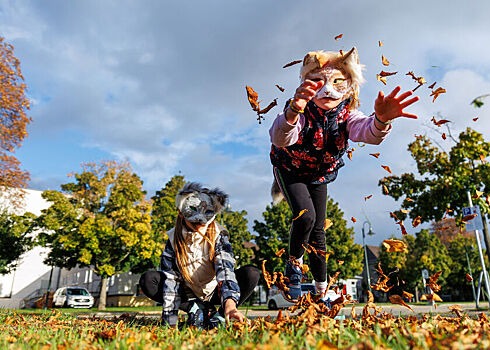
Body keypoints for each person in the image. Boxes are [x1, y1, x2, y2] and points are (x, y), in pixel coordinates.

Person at [269, 48, 419, 301]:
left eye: (337, 82)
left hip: (319, 174)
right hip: (290, 168)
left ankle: (321, 292)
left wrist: (381, 121)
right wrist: (294, 111)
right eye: (318, 82)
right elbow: (281, 138)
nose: (327, 90)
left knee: (318, 231)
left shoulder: (347, 115)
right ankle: (293, 268)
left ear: (349, 87)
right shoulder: (300, 110)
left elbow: (367, 132)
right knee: (305, 218)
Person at [139, 182, 260, 329]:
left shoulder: (219, 235)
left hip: (215, 290)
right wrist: (170, 321)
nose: (200, 224)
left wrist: (230, 305)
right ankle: (195, 308)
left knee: (251, 273)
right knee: (148, 279)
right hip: (187, 292)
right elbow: (171, 280)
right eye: (194, 222)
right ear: (181, 214)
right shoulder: (173, 239)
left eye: (204, 222)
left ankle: (220, 315)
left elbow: (226, 271)